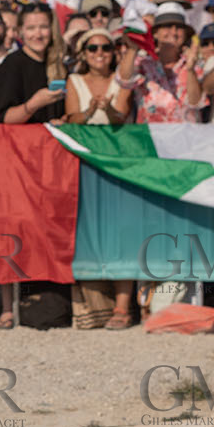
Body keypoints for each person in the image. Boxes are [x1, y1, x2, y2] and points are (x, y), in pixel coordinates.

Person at [63, 27, 137, 329]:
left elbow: (123, 117)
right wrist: (90, 110)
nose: (99, 53)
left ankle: (122, 307)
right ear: (84, 53)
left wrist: (106, 111)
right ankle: (93, 306)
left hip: (118, 163)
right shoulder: (74, 81)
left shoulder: (122, 81)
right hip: (85, 164)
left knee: (121, 232)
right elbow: (72, 120)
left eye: (105, 48)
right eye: (92, 48)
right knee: (87, 231)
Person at [0, 3, 68, 124]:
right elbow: (5, 118)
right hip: (22, 140)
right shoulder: (11, 65)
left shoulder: (59, 64)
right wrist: (34, 104)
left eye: (43, 27)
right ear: (21, 31)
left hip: (53, 139)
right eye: (31, 28)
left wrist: (65, 120)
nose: (38, 35)